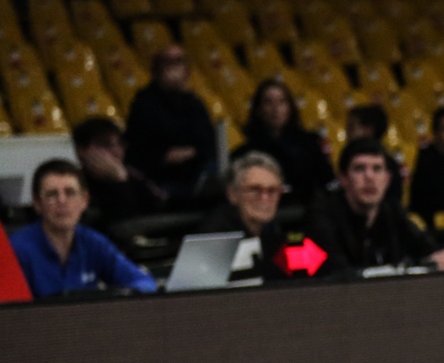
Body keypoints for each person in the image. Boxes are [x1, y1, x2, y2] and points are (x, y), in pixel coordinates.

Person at [305, 139, 444, 274]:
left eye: (377, 169)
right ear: (343, 179)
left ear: (387, 180)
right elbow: (339, 273)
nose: (369, 177)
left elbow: (427, 247)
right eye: (359, 169)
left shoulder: (393, 211)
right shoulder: (323, 216)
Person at [9, 160, 158, 298]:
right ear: (37, 204)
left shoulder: (93, 242)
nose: (62, 201)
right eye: (52, 195)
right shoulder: (17, 249)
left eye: (70, 193)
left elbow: (144, 282)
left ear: (84, 200)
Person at [123, 45, 217, 201]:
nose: (174, 68)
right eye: (168, 62)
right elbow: (137, 150)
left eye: (179, 62)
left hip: (195, 175)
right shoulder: (143, 104)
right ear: (157, 70)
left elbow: (209, 144)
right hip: (161, 179)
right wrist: (164, 156)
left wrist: (192, 153)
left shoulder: (195, 104)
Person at [235, 79, 334, 207]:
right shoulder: (245, 153)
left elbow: (326, 181)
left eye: (281, 101)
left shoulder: (311, 143)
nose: (275, 108)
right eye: (268, 102)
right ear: (258, 109)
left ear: (290, 107)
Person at [200, 152, 295, 282]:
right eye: (255, 190)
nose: (264, 198)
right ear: (232, 193)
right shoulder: (214, 236)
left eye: (272, 191)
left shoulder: (276, 230)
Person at [72, 117, 167, 228]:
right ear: (82, 151)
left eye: (120, 144)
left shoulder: (133, 176)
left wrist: (123, 181)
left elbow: (156, 213)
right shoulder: (73, 184)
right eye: (106, 145)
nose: (116, 151)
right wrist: (119, 183)